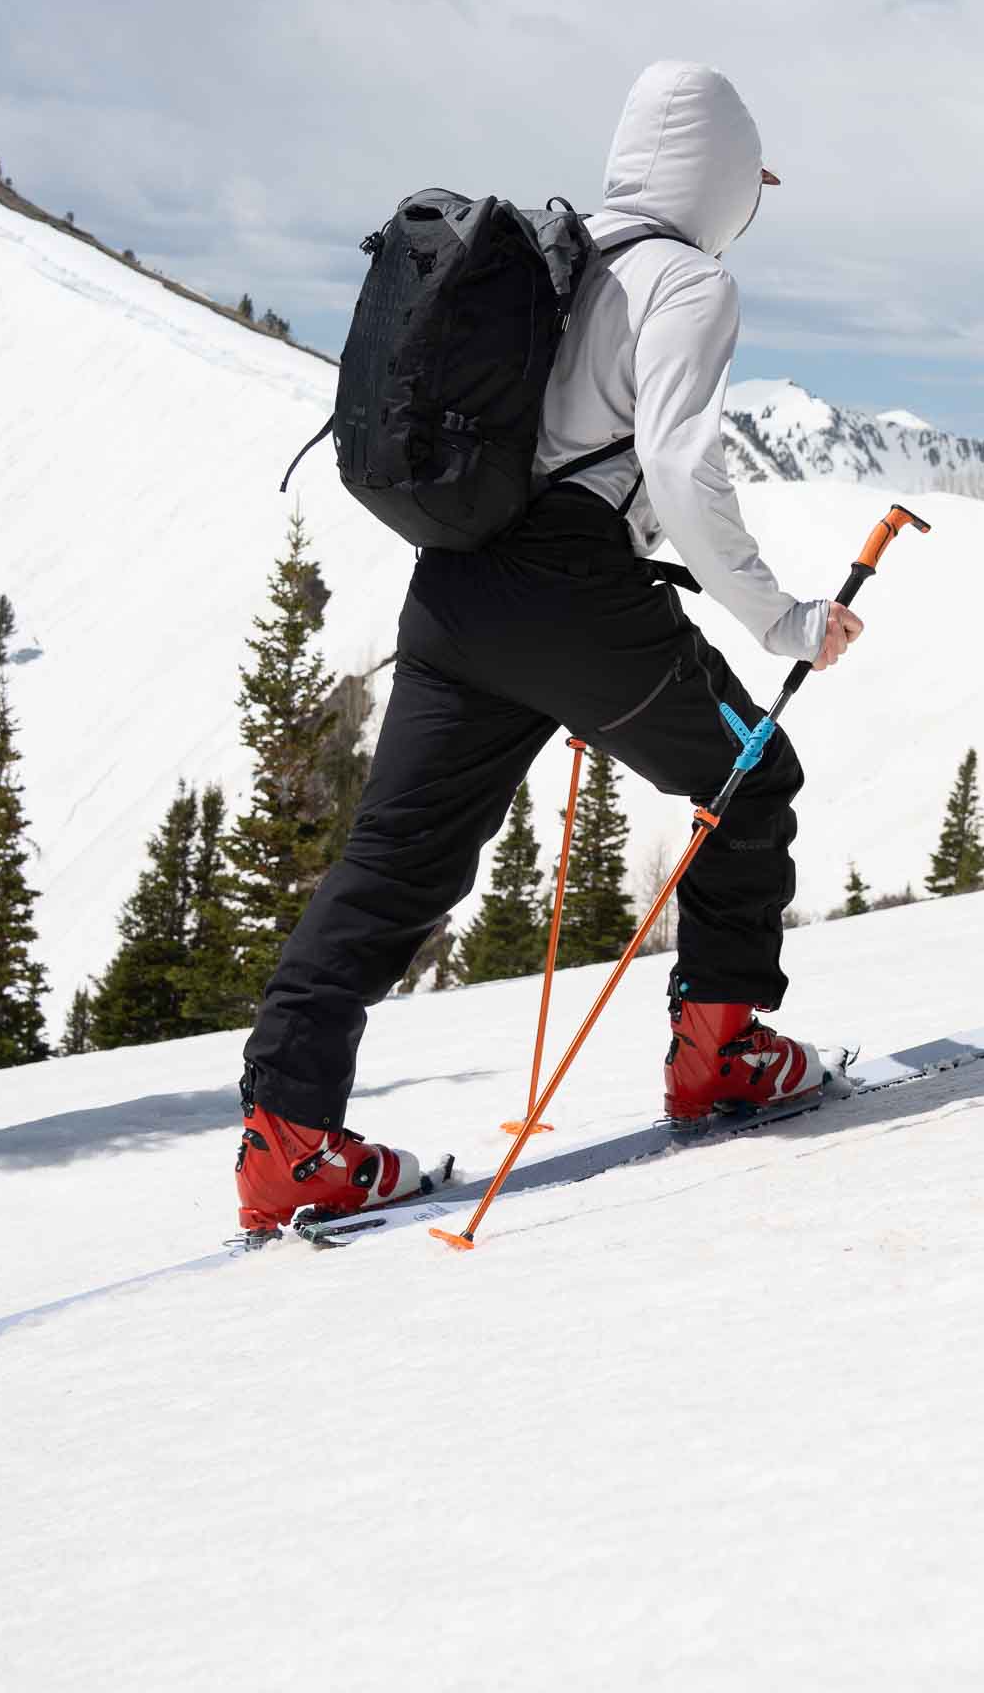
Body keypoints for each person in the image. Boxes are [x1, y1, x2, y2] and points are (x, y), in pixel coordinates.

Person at [235, 60, 865, 1234]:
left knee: (397, 858)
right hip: (573, 592)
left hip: (455, 584)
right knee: (751, 774)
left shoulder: (551, 260)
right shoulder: (686, 281)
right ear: (723, 177)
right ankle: (721, 1054)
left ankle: (289, 1137)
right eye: (752, 183)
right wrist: (781, 616)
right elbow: (679, 466)